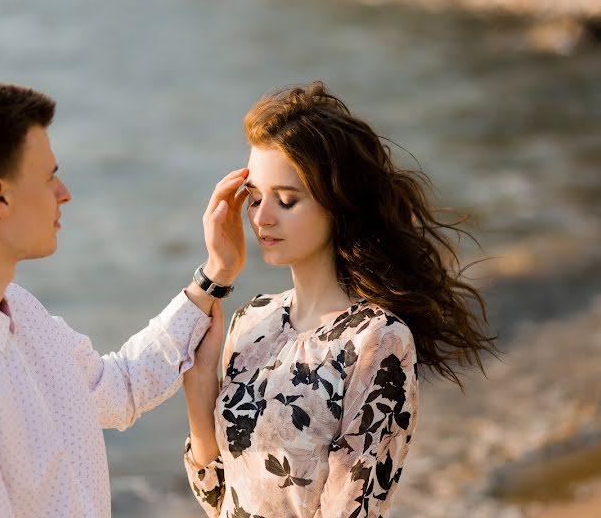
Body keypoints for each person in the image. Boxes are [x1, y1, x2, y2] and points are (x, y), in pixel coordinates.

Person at [0, 79, 250, 517]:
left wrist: (214, 275)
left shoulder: (15, 307)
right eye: (49, 176)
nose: (64, 192)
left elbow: (120, 388)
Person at [182, 82, 497, 518]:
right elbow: (218, 498)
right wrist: (200, 386)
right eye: (254, 198)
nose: (261, 217)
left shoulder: (377, 340)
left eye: (286, 200)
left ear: (338, 204)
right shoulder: (251, 321)